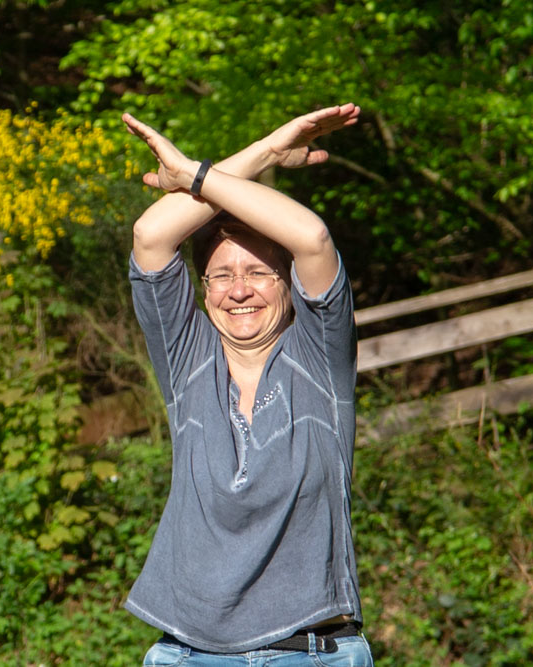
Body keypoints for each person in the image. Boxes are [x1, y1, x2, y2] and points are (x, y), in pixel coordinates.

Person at [121, 103, 374, 666]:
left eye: (259, 272)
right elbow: (151, 233)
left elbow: (310, 236)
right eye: (222, 275)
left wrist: (194, 176)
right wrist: (264, 152)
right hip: (189, 656)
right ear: (203, 287)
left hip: (311, 654)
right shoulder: (187, 359)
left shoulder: (318, 357)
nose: (240, 291)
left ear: (288, 284)